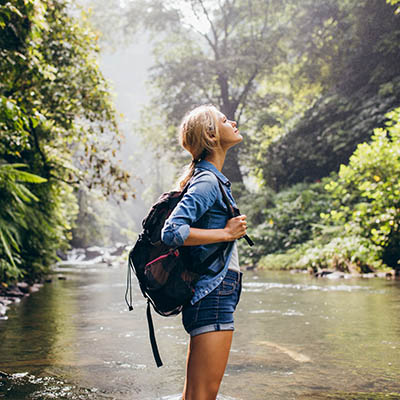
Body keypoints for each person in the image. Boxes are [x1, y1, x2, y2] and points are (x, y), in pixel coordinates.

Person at [161, 105, 248, 400]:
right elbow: (172, 232)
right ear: (211, 135)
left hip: (212, 293)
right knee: (203, 396)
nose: (232, 122)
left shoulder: (210, 179)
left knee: (195, 396)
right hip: (213, 295)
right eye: (224, 120)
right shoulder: (208, 181)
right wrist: (225, 233)